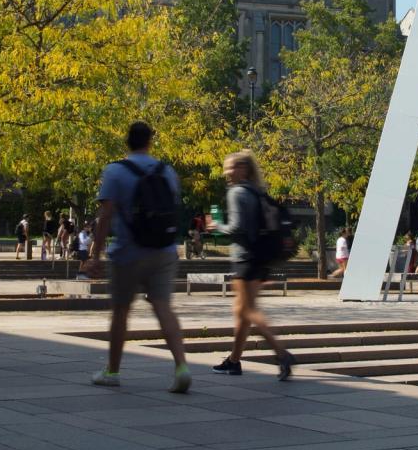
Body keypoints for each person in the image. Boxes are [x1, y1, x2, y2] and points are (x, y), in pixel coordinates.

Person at [82, 121, 190, 392]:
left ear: (127, 141)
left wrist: (96, 255)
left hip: (128, 252)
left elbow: (105, 216)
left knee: (121, 310)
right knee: (163, 306)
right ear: (150, 141)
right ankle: (181, 367)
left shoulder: (115, 171)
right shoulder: (167, 172)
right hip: (164, 250)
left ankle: (112, 371)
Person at [208, 150, 295, 380]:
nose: (226, 172)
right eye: (226, 168)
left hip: (244, 258)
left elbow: (237, 227)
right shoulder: (256, 191)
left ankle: (281, 353)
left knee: (248, 311)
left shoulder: (237, 192)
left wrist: (217, 227)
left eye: (230, 168)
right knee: (242, 312)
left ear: (243, 169)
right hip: (260, 257)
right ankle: (234, 361)